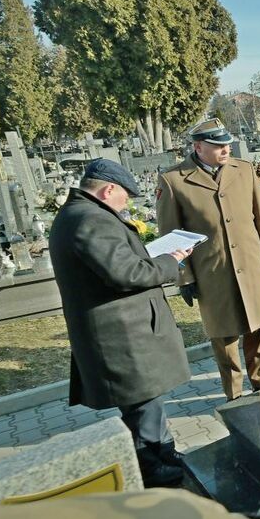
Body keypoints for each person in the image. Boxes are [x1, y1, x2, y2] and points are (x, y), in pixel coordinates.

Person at [51, 159, 194, 487]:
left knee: (148, 403)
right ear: (108, 189)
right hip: (121, 338)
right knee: (142, 406)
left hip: (124, 333)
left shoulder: (79, 214)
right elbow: (126, 273)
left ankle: (164, 453)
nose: (126, 204)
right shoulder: (89, 220)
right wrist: (169, 262)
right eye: (124, 197)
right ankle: (151, 469)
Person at [157, 118, 260, 401]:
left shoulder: (243, 169)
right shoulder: (174, 180)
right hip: (212, 272)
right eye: (217, 145)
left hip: (249, 266)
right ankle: (234, 396)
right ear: (198, 146)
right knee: (224, 338)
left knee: (259, 328)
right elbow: (170, 234)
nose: (226, 149)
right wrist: (184, 276)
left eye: (227, 144)